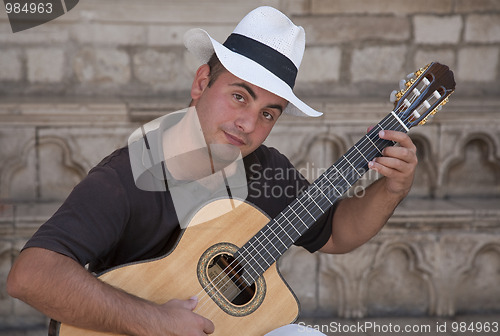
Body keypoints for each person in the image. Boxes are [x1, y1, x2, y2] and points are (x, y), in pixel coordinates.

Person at [7, 6, 417, 336]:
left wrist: (391, 189)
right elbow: (31, 276)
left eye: (268, 114)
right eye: (240, 96)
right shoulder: (125, 178)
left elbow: (337, 233)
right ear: (201, 82)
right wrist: (156, 322)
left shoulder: (266, 169)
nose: (248, 125)